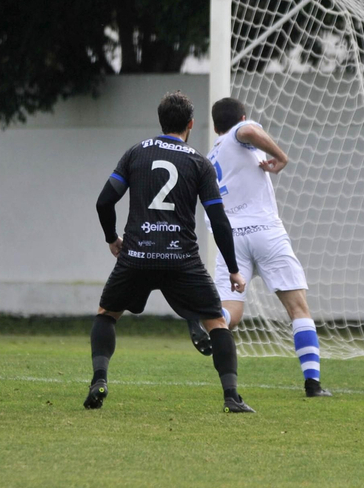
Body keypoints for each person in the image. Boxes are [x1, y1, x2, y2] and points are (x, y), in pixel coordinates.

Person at [92, 91, 253, 413]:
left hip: (137, 255)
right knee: (217, 325)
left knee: (107, 316)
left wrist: (112, 238)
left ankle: (99, 380)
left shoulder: (135, 154)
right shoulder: (198, 162)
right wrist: (234, 269)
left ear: (161, 121)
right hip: (182, 259)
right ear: (191, 123)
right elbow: (218, 219)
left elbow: (104, 201)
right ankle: (231, 397)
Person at [188, 97, 329, 397]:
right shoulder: (241, 132)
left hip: (230, 239)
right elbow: (250, 132)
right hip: (265, 231)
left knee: (230, 315)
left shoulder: (210, 156)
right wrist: (280, 157)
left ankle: (205, 325)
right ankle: (313, 384)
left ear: (214, 126)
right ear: (240, 117)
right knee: (298, 308)